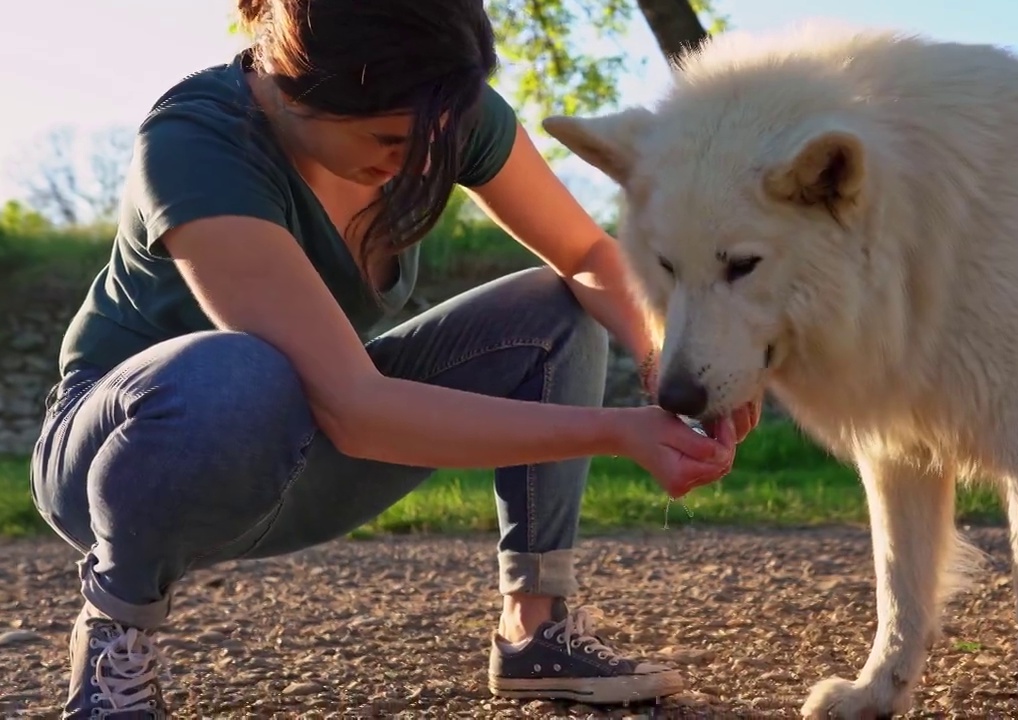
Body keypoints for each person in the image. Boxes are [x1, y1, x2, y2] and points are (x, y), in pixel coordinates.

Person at [27, 0, 764, 716]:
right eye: (388, 140)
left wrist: (672, 360)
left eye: (435, 142)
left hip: (312, 443)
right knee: (238, 373)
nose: (416, 164)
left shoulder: (435, 113)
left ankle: (535, 630)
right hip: (121, 461)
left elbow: (588, 254)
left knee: (557, 307)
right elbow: (356, 408)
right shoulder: (197, 142)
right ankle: (116, 635)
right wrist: (618, 431)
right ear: (295, 88)